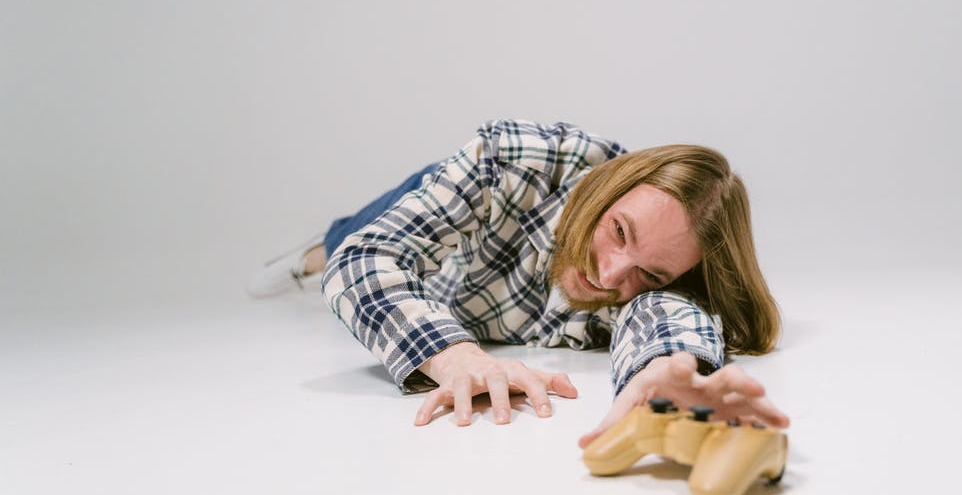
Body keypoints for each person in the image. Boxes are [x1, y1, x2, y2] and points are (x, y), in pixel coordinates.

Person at [248, 118, 789, 448]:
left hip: (466, 293)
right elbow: (366, 259)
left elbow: (669, 320)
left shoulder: (664, 276)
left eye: (649, 273)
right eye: (617, 231)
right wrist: (459, 359)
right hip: (457, 240)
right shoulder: (519, 159)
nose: (609, 275)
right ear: (606, 188)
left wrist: (668, 372)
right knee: (350, 234)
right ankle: (308, 253)